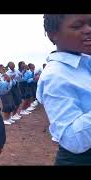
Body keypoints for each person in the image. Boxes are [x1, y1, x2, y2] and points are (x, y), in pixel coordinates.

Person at [37, 14, 91, 165]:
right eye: (77, 26)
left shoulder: (85, 61)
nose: (88, 30)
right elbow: (72, 140)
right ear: (53, 35)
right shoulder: (55, 76)